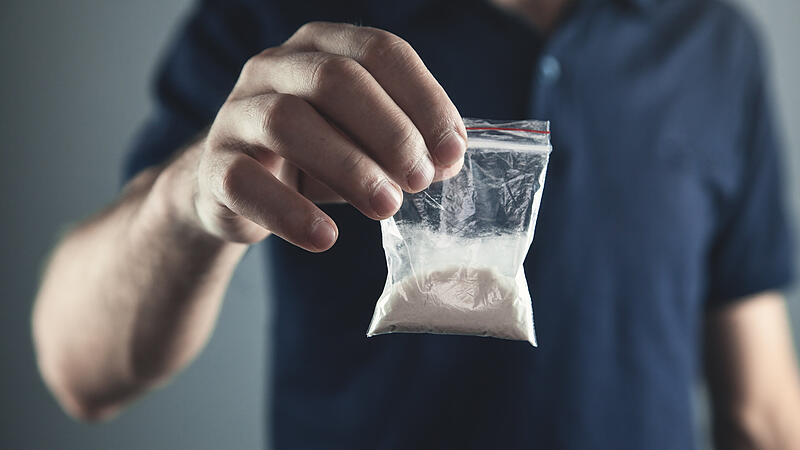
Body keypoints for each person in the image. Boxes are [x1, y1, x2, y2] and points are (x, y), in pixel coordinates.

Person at [31, 0, 800, 448]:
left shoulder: (715, 43)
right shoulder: (278, 20)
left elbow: (760, 403)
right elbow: (82, 372)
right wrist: (186, 199)